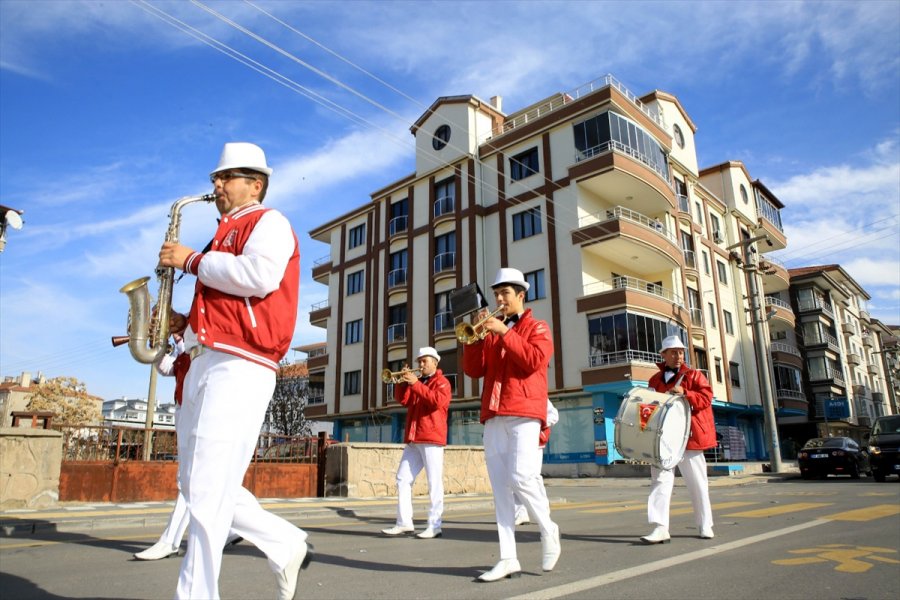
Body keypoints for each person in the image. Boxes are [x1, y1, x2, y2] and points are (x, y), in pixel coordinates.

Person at [157, 142, 309, 600]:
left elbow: (259, 275)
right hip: (206, 359)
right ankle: (285, 542)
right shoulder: (220, 235)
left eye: (226, 178)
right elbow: (221, 304)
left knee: (206, 487)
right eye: (214, 178)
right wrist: (181, 329)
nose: (216, 185)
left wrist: (189, 260)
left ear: (255, 184)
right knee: (195, 483)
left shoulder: (270, 221)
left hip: (243, 362)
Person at [462, 267, 560, 582]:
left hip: (525, 411)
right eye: (496, 294)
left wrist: (505, 333)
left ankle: (548, 529)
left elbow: (534, 360)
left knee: (522, 477)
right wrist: (475, 339)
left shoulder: (538, 327)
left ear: (521, 295)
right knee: (500, 490)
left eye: (505, 293)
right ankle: (508, 558)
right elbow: (473, 371)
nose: (500, 300)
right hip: (494, 413)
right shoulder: (492, 331)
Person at [133, 335, 241, 561]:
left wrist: (180, 339)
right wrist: (156, 346)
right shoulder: (184, 354)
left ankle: (170, 541)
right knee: (203, 480)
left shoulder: (199, 349)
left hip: (199, 410)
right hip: (184, 409)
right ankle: (228, 530)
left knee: (190, 479)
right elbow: (166, 368)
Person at [640, 335, 716, 544]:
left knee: (697, 483)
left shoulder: (694, 375)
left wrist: (686, 393)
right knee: (660, 482)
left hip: (690, 438)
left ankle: (705, 524)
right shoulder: (654, 380)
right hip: (664, 440)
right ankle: (660, 527)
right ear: (663, 355)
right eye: (673, 352)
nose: (678, 356)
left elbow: (706, 399)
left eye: (681, 351)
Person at [381, 347, 452, 539]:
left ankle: (435, 525)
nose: (420, 365)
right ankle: (404, 523)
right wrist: (403, 383)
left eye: (424, 361)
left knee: (434, 483)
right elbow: (403, 400)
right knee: (403, 478)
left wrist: (416, 384)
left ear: (435, 363)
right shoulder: (418, 382)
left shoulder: (443, 383)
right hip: (414, 437)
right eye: (419, 361)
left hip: (431, 437)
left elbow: (436, 402)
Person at [513, 399, 558, 527]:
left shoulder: (538, 395)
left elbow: (553, 415)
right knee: (515, 478)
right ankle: (520, 513)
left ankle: (543, 511)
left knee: (533, 478)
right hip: (516, 442)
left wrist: (536, 426)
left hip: (534, 443)